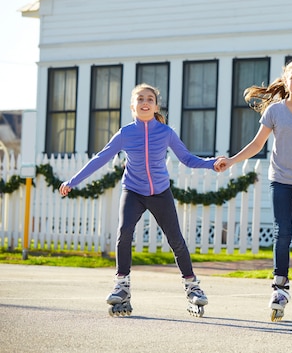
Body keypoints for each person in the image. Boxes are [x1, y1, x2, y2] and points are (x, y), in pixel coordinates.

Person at [59, 83, 218, 317]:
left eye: (150, 99)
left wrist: (212, 163)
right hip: (133, 191)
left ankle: (192, 286)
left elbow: (186, 158)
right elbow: (100, 158)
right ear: (133, 106)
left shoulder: (166, 133)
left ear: (156, 106)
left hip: (160, 193)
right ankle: (122, 286)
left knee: (176, 239)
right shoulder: (125, 133)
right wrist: (72, 181)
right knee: (124, 233)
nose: (145, 102)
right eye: (140, 99)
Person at [214, 59, 292, 321]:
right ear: (285, 80)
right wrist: (232, 160)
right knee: (283, 234)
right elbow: (257, 144)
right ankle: (280, 287)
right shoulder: (274, 112)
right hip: (281, 180)